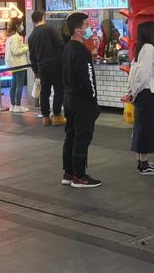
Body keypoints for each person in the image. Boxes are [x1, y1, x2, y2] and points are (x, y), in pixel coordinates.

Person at [61, 12, 101, 188]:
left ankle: (69, 172)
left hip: (69, 98)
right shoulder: (81, 51)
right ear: (78, 30)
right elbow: (87, 79)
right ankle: (80, 176)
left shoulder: (68, 48)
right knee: (82, 137)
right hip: (82, 101)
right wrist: (93, 100)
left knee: (71, 135)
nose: (89, 29)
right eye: (86, 26)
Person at [125, 22, 154, 176]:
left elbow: (134, 71)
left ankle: (142, 162)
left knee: (141, 127)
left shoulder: (140, 48)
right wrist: (133, 92)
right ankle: (144, 165)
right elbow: (142, 74)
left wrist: (131, 92)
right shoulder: (149, 48)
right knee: (146, 129)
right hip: (146, 92)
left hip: (141, 93)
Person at [28, 11, 66, 126]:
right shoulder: (50, 29)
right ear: (43, 18)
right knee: (59, 89)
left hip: (42, 67)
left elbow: (32, 57)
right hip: (56, 65)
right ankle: (57, 115)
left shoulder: (32, 36)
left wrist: (35, 71)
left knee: (45, 91)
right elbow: (61, 44)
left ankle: (45, 117)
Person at [5, 17, 30, 113]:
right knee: (19, 85)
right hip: (19, 64)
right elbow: (16, 51)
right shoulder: (16, 37)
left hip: (13, 64)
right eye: (21, 24)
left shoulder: (11, 37)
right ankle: (18, 106)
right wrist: (27, 47)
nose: (22, 26)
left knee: (14, 85)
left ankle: (13, 105)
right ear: (17, 25)